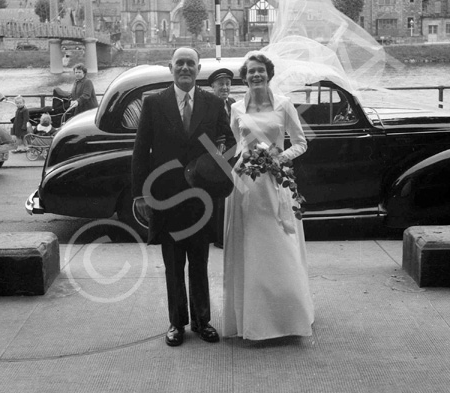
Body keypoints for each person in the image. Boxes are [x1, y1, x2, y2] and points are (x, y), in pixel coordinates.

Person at [132, 47, 235, 347]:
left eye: (191, 63)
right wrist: (140, 194)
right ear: (171, 67)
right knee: (173, 264)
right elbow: (140, 152)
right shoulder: (154, 104)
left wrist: (216, 160)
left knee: (200, 262)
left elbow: (228, 142)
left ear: (199, 68)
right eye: (180, 63)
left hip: (201, 199)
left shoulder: (214, 103)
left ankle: (203, 322)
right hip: (166, 198)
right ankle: (176, 323)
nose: (185, 68)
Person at [223, 52, 314, 341]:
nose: (256, 75)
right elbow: (234, 145)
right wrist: (243, 158)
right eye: (250, 71)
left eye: (260, 71)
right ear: (245, 76)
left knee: (280, 245)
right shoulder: (237, 108)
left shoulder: (284, 105)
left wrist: (279, 158)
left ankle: (288, 317)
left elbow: (300, 142)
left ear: (269, 74)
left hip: (275, 182)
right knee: (250, 247)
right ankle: (252, 319)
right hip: (246, 184)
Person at [208, 67, 235, 249]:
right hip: (215, 154)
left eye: (227, 84)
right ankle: (219, 237)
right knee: (218, 198)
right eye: (220, 85)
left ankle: (229, 233)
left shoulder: (233, 104)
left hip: (232, 153)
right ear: (213, 87)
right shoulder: (209, 105)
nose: (224, 88)